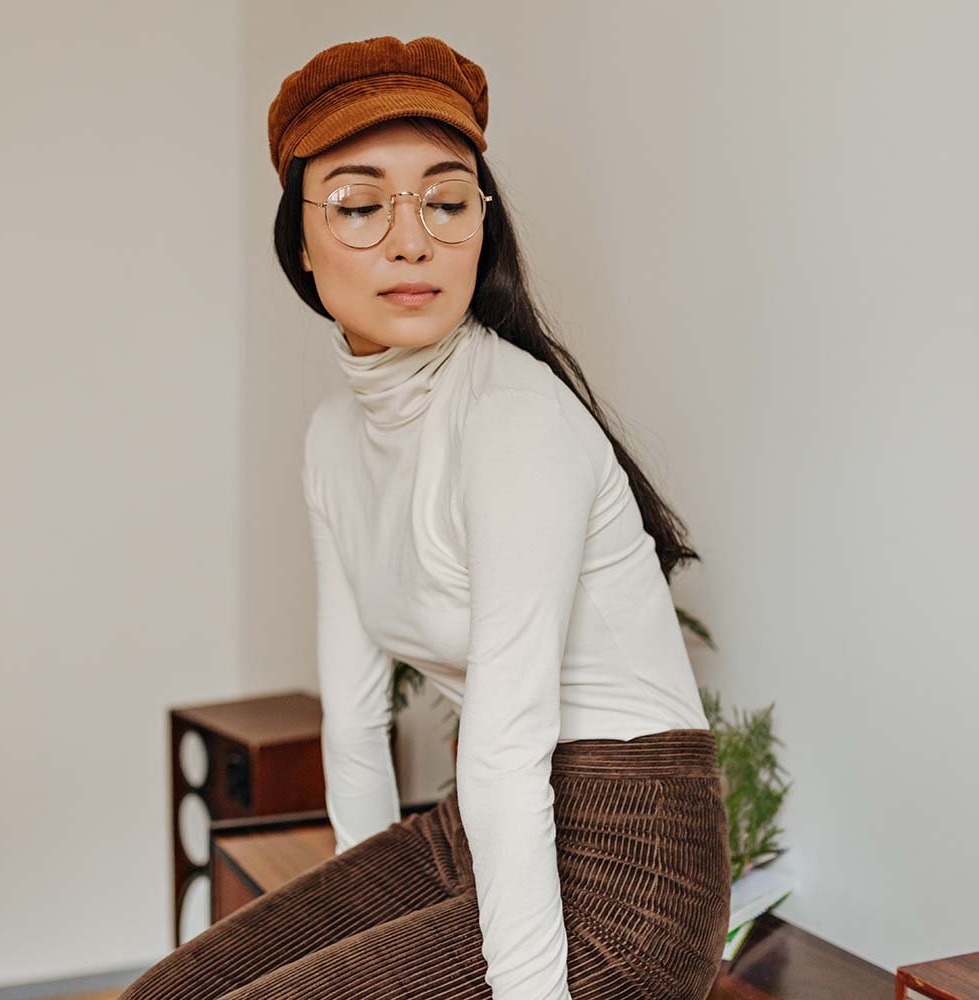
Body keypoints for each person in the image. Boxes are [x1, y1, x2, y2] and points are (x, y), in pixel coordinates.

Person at [119, 34, 731, 1000]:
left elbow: (506, 742)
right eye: (360, 206)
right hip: (479, 831)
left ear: (482, 226)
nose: (413, 241)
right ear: (302, 246)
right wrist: (366, 906)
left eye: (447, 202)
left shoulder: (514, 419)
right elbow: (356, 723)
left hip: (630, 875)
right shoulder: (332, 439)